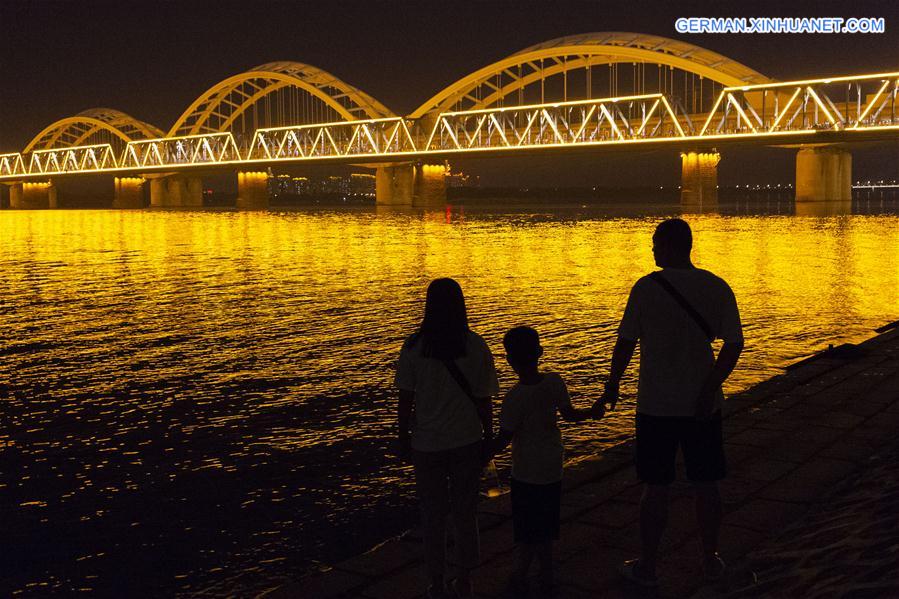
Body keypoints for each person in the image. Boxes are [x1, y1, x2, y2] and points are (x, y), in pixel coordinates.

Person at [593, 218, 744, 588]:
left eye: (656, 243)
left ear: (672, 246)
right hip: (703, 407)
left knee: (655, 487)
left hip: (656, 406)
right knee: (707, 484)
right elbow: (734, 343)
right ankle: (710, 560)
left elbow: (626, 342)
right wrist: (710, 386)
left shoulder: (645, 289)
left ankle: (647, 566)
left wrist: (613, 384)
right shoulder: (716, 286)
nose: (652, 249)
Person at [395, 278, 499, 599]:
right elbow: (484, 400)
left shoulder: (413, 347)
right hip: (467, 440)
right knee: (465, 511)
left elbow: (405, 400)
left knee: (433, 515)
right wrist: (489, 436)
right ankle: (465, 578)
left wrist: (401, 436)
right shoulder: (476, 346)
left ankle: (437, 582)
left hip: (427, 444)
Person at [491, 326, 601, 596]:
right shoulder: (554, 382)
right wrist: (592, 412)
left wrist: (475, 454)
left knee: (528, 527)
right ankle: (546, 573)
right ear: (540, 352)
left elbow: (503, 440)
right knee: (546, 523)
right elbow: (570, 415)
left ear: (508, 359)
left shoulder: (513, 399)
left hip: (526, 472)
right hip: (552, 467)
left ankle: (524, 574)